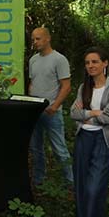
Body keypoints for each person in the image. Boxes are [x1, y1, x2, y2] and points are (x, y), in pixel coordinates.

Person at [70, 47, 109, 217]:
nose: (90, 66)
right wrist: (93, 113)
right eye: (87, 63)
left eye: (95, 61)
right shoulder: (83, 87)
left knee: (95, 186)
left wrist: (85, 115)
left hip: (104, 140)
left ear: (105, 63)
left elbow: (108, 117)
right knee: (81, 183)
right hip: (83, 139)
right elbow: (73, 113)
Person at [28, 27, 74, 186]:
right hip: (34, 111)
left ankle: (71, 182)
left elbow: (66, 86)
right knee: (36, 148)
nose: (35, 42)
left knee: (60, 149)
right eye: (33, 39)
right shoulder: (33, 60)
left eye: (38, 38)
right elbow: (32, 83)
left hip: (52, 112)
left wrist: (54, 106)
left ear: (48, 39)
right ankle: (38, 180)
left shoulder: (59, 59)